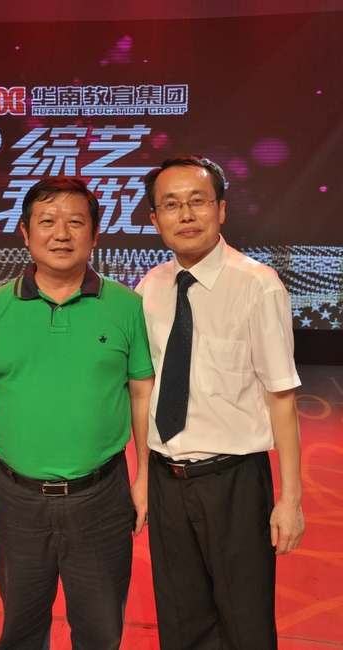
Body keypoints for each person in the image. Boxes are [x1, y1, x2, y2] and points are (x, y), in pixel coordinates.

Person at [0, 176, 154, 650]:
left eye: (75, 222)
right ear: (25, 233)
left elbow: (142, 395)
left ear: (94, 234)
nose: (61, 234)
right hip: (15, 501)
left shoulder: (127, 307)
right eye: (47, 221)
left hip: (102, 498)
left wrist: (144, 477)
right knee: (21, 632)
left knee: (101, 633)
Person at [136, 154, 305, 650]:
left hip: (234, 482)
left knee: (245, 624)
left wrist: (291, 499)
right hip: (166, 481)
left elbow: (281, 397)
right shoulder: (150, 288)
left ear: (221, 209)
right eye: (171, 205)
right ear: (155, 220)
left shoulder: (257, 285)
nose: (186, 215)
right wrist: (142, 476)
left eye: (198, 201)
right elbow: (145, 391)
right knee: (180, 622)